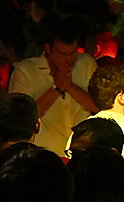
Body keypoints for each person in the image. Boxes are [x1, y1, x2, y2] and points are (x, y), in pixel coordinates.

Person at [9, 20, 98, 154]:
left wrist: (70, 87)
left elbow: (98, 106)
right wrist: (56, 88)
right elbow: (22, 118)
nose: (68, 59)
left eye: (73, 53)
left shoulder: (86, 64)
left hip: (81, 153)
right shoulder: (25, 71)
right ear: (48, 49)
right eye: (62, 54)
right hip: (43, 153)